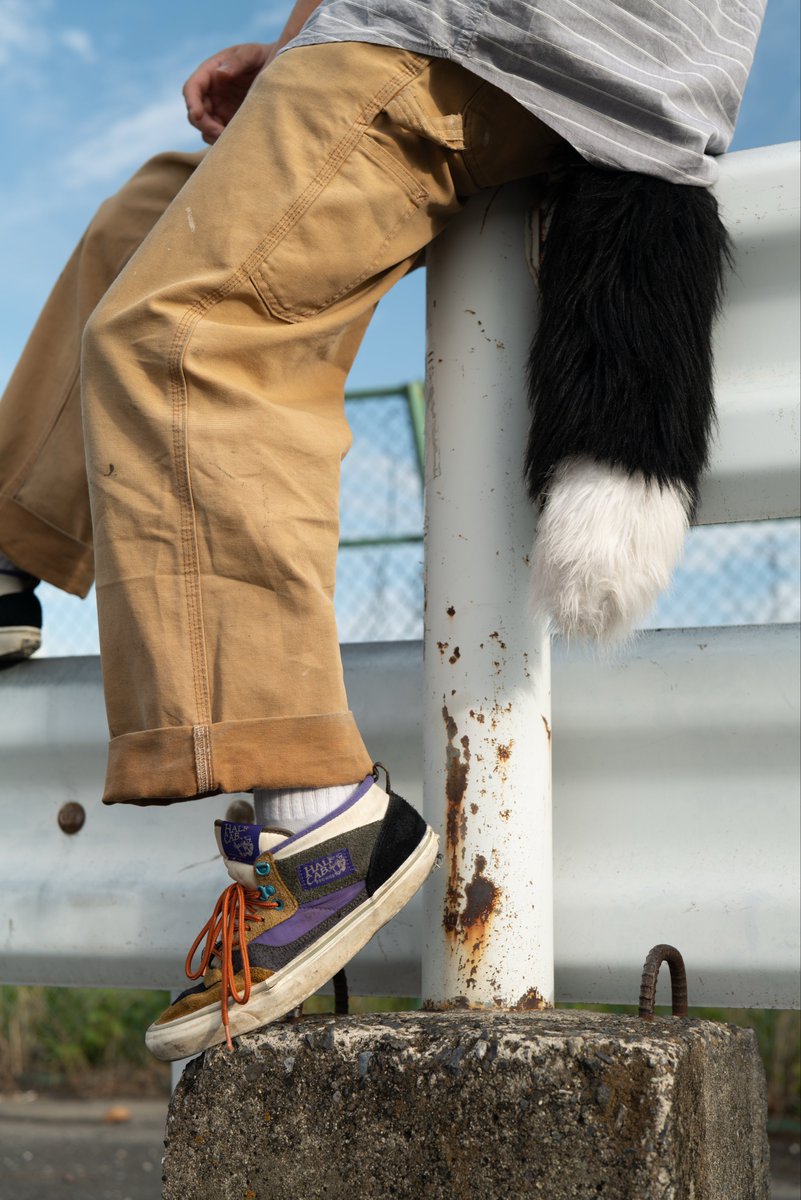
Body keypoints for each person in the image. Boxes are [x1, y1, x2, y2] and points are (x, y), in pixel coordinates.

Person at [0, 0, 764, 1059]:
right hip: (482, 37)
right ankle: (13, 551)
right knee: (150, 221)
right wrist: (300, 41)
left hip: (508, 34)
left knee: (187, 332)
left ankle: (320, 819)